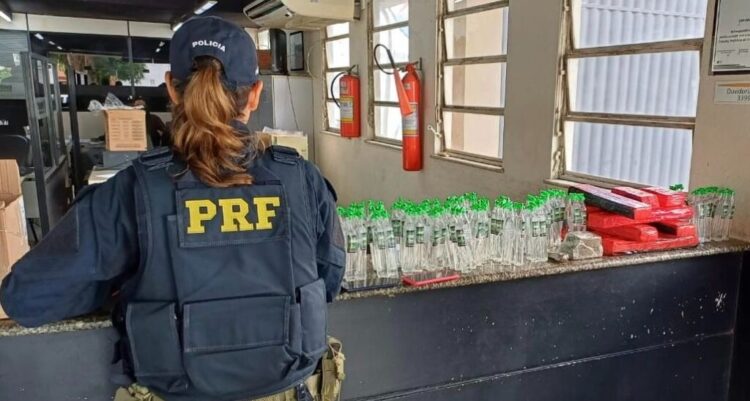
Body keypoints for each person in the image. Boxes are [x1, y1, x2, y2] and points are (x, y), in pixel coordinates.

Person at [0, 16, 345, 401]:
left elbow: (26, 298)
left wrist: (127, 281)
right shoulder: (303, 179)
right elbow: (329, 280)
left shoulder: (133, 190)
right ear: (255, 94)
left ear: (171, 89)